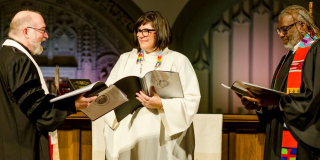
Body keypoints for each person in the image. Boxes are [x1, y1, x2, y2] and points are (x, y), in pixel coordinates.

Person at [92, 11, 201, 160]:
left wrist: (161, 104)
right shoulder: (126, 59)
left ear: (160, 32)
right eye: (138, 30)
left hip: (160, 132)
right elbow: (109, 91)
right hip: (128, 132)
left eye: (146, 31)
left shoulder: (178, 60)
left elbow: (192, 99)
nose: (140, 35)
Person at [0, 10, 96, 160]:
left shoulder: (4, 56)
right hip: (22, 148)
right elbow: (39, 111)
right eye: (42, 30)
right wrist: (73, 105)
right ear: (26, 32)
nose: (46, 36)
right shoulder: (19, 60)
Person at [238, 5, 320, 160]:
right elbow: (277, 99)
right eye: (279, 30)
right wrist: (260, 104)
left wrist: (278, 101)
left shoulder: (316, 51)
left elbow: (315, 99)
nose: (281, 35)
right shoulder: (286, 59)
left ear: (302, 26)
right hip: (279, 137)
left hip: (301, 141)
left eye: (285, 29)